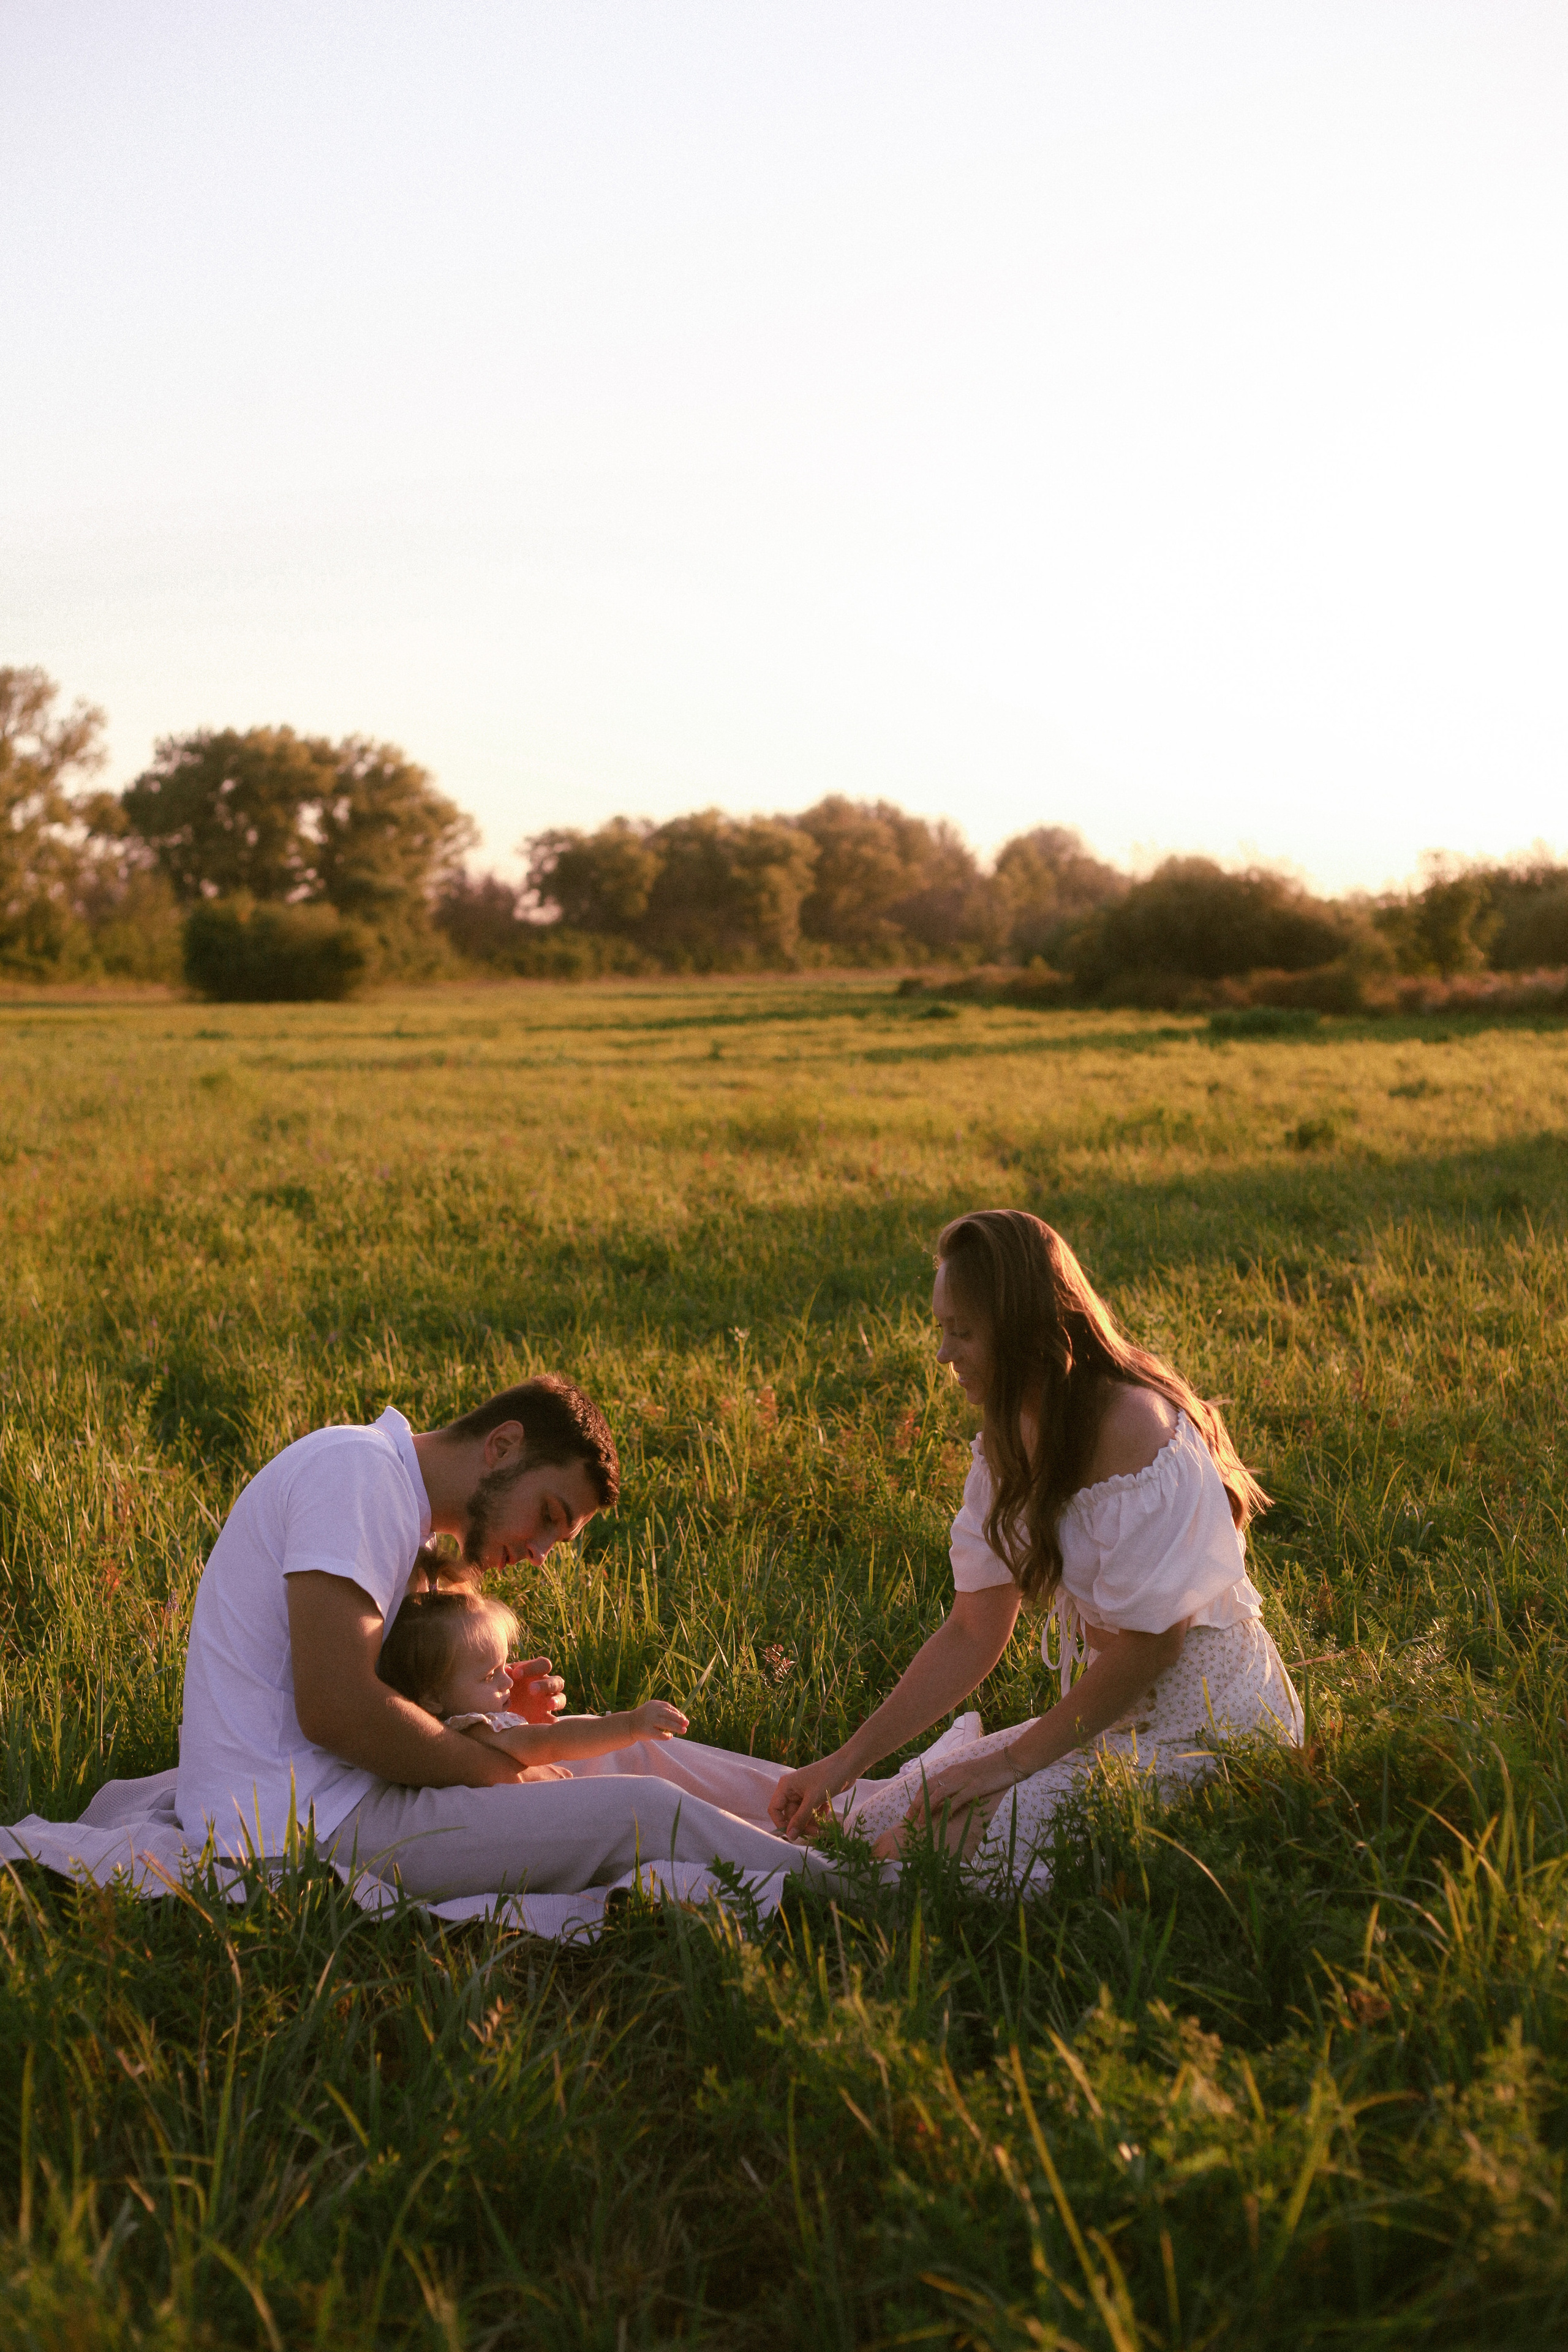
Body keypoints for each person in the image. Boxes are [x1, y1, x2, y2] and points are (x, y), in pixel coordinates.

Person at [767, 1210, 1303, 1873]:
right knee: (872, 1826)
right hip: (1110, 1720)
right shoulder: (1008, 1439)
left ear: (1021, 1327)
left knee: (922, 1857)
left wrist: (1008, 1765)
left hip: (1212, 1730)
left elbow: (1152, 1644)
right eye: (942, 1330)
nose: (943, 1355)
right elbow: (972, 1631)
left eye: (963, 1332)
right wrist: (844, 1763)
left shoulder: (1134, 1425)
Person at [176, 1375, 840, 1898]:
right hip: (294, 1820)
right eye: (547, 1514)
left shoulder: (389, 1495)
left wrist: (480, 1708)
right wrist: (494, 1765)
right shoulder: (356, 1476)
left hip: (347, 1786)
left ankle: (841, 1809)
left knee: (627, 1747)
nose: (542, 1552)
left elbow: (381, 1684)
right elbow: (337, 1710)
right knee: (637, 1810)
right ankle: (861, 1886)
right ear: (502, 1446)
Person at [376, 1585, 690, 1766]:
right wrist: (629, 1725)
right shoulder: (475, 1729)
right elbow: (552, 1742)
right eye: (489, 1676)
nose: (508, 1681)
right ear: (433, 1697)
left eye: (504, 1666)